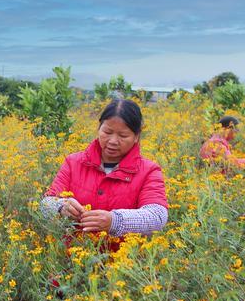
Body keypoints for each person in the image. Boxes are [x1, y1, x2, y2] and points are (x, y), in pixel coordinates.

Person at [41, 99, 168, 237]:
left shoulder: (149, 171)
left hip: (122, 251)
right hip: (75, 249)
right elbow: (45, 204)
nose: (113, 141)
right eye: (107, 132)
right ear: (99, 128)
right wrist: (61, 207)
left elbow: (157, 216)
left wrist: (115, 221)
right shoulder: (74, 162)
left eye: (123, 135)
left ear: (136, 137)